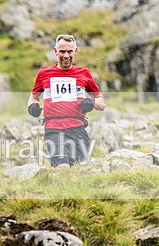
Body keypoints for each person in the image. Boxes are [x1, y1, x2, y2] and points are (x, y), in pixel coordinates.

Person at [27, 34, 105, 168]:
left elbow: (101, 103)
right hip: (54, 129)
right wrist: (32, 106)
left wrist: (91, 103)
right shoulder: (44, 73)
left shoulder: (84, 73)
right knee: (62, 167)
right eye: (62, 51)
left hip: (78, 129)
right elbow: (34, 97)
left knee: (78, 170)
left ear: (75, 52)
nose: (66, 56)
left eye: (69, 51)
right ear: (55, 51)